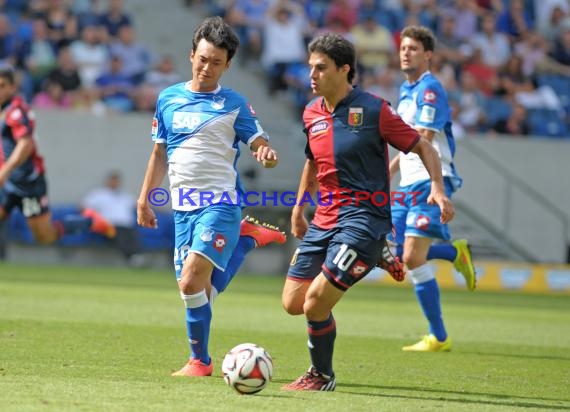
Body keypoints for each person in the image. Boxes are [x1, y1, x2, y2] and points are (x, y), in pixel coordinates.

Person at [281, 32, 454, 391]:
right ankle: (378, 255)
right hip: (324, 218)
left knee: (315, 304)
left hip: (364, 219)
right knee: (293, 303)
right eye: (310, 67)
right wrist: (299, 208)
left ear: (344, 70)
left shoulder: (374, 109)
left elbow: (424, 146)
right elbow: (312, 163)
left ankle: (322, 375)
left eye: (321, 68)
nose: (311, 75)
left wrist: (437, 188)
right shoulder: (311, 112)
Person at [136, 16, 286, 378]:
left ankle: (199, 362)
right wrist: (145, 199)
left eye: (216, 62)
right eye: (202, 59)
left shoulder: (233, 103)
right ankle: (245, 242)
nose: (207, 68)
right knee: (198, 291)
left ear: (228, 65)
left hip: (220, 204)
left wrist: (264, 152)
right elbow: (159, 154)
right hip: (183, 207)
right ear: (191, 55)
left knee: (190, 283)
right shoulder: (168, 99)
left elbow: (258, 140)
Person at [386, 25, 476, 353]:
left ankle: (438, 336)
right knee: (394, 253)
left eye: (412, 48)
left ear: (427, 55)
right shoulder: (405, 91)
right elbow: (406, 143)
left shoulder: (430, 89)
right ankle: (454, 252)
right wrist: (389, 171)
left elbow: (422, 137)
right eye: (402, 48)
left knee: (411, 256)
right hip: (407, 182)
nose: (405, 52)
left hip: (431, 181)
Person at [0, 66, 116, 246]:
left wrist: (5, 171)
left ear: (12, 88)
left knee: (44, 236)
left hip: (27, 185)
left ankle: (89, 221)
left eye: (2, 86)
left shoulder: (16, 111)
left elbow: (25, 144)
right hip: (7, 185)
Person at [83, 170, 145, 267]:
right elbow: (84, 207)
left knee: (133, 235)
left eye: (116, 181)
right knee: (120, 234)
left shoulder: (125, 196)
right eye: (113, 180)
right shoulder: (99, 194)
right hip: (107, 226)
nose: (114, 183)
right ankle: (132, 258)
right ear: (108, 181)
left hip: (126, 226)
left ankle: (137, 257)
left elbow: (139, 206)